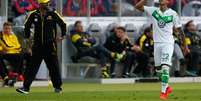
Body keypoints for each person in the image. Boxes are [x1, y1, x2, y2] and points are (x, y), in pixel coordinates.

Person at [135, 0, 189, 100]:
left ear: (167, 1)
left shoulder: (173, 14)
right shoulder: (153, 11)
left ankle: (163, 93)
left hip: (168, 43)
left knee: (165, 67)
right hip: (157, 44)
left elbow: (180, 30)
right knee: (159, 71)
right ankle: (167, 87)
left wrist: (184, 46)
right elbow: (137, 6)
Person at [16, 0, 66, 94]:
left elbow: (63, 24)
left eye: (46, 3)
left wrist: (63, 35)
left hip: (50, 45)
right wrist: (27, 38)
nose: (45, 5)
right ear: (40, 4)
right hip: (37, 46)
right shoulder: (33, 14)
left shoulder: (53, 14)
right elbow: (27, 25)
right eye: (43, 3)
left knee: (53, 67)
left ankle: (58, 87)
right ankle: (25, 88)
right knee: (32, 67)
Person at [0, 22, 23, 87]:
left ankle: (14, 75)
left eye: (9, 29)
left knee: (22, 55)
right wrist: (4, 49)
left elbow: (19, 46)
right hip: (4, 53)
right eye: (6, 28)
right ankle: (7, 77)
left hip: (11, 53)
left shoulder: (13, 35)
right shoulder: (1, 35)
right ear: (3, 28)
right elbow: (7, 46)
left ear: (11, 29)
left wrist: (11, 49)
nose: (7, 30)